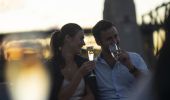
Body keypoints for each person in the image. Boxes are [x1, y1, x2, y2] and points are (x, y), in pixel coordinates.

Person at [92, 20, 149, 100]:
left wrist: (130, 66)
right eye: (109, 39)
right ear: (98, 42)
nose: (115, 41)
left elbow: (150, 85)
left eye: (116, 36)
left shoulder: (135, 58)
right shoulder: (94, 66)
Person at [47, 23, 96, 100]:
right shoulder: (50, 67)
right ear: (68, 38)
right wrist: (80, 74)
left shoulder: (83, 62)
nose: (84, 43)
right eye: (81, 38)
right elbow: (59, 97)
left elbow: (92, 96)